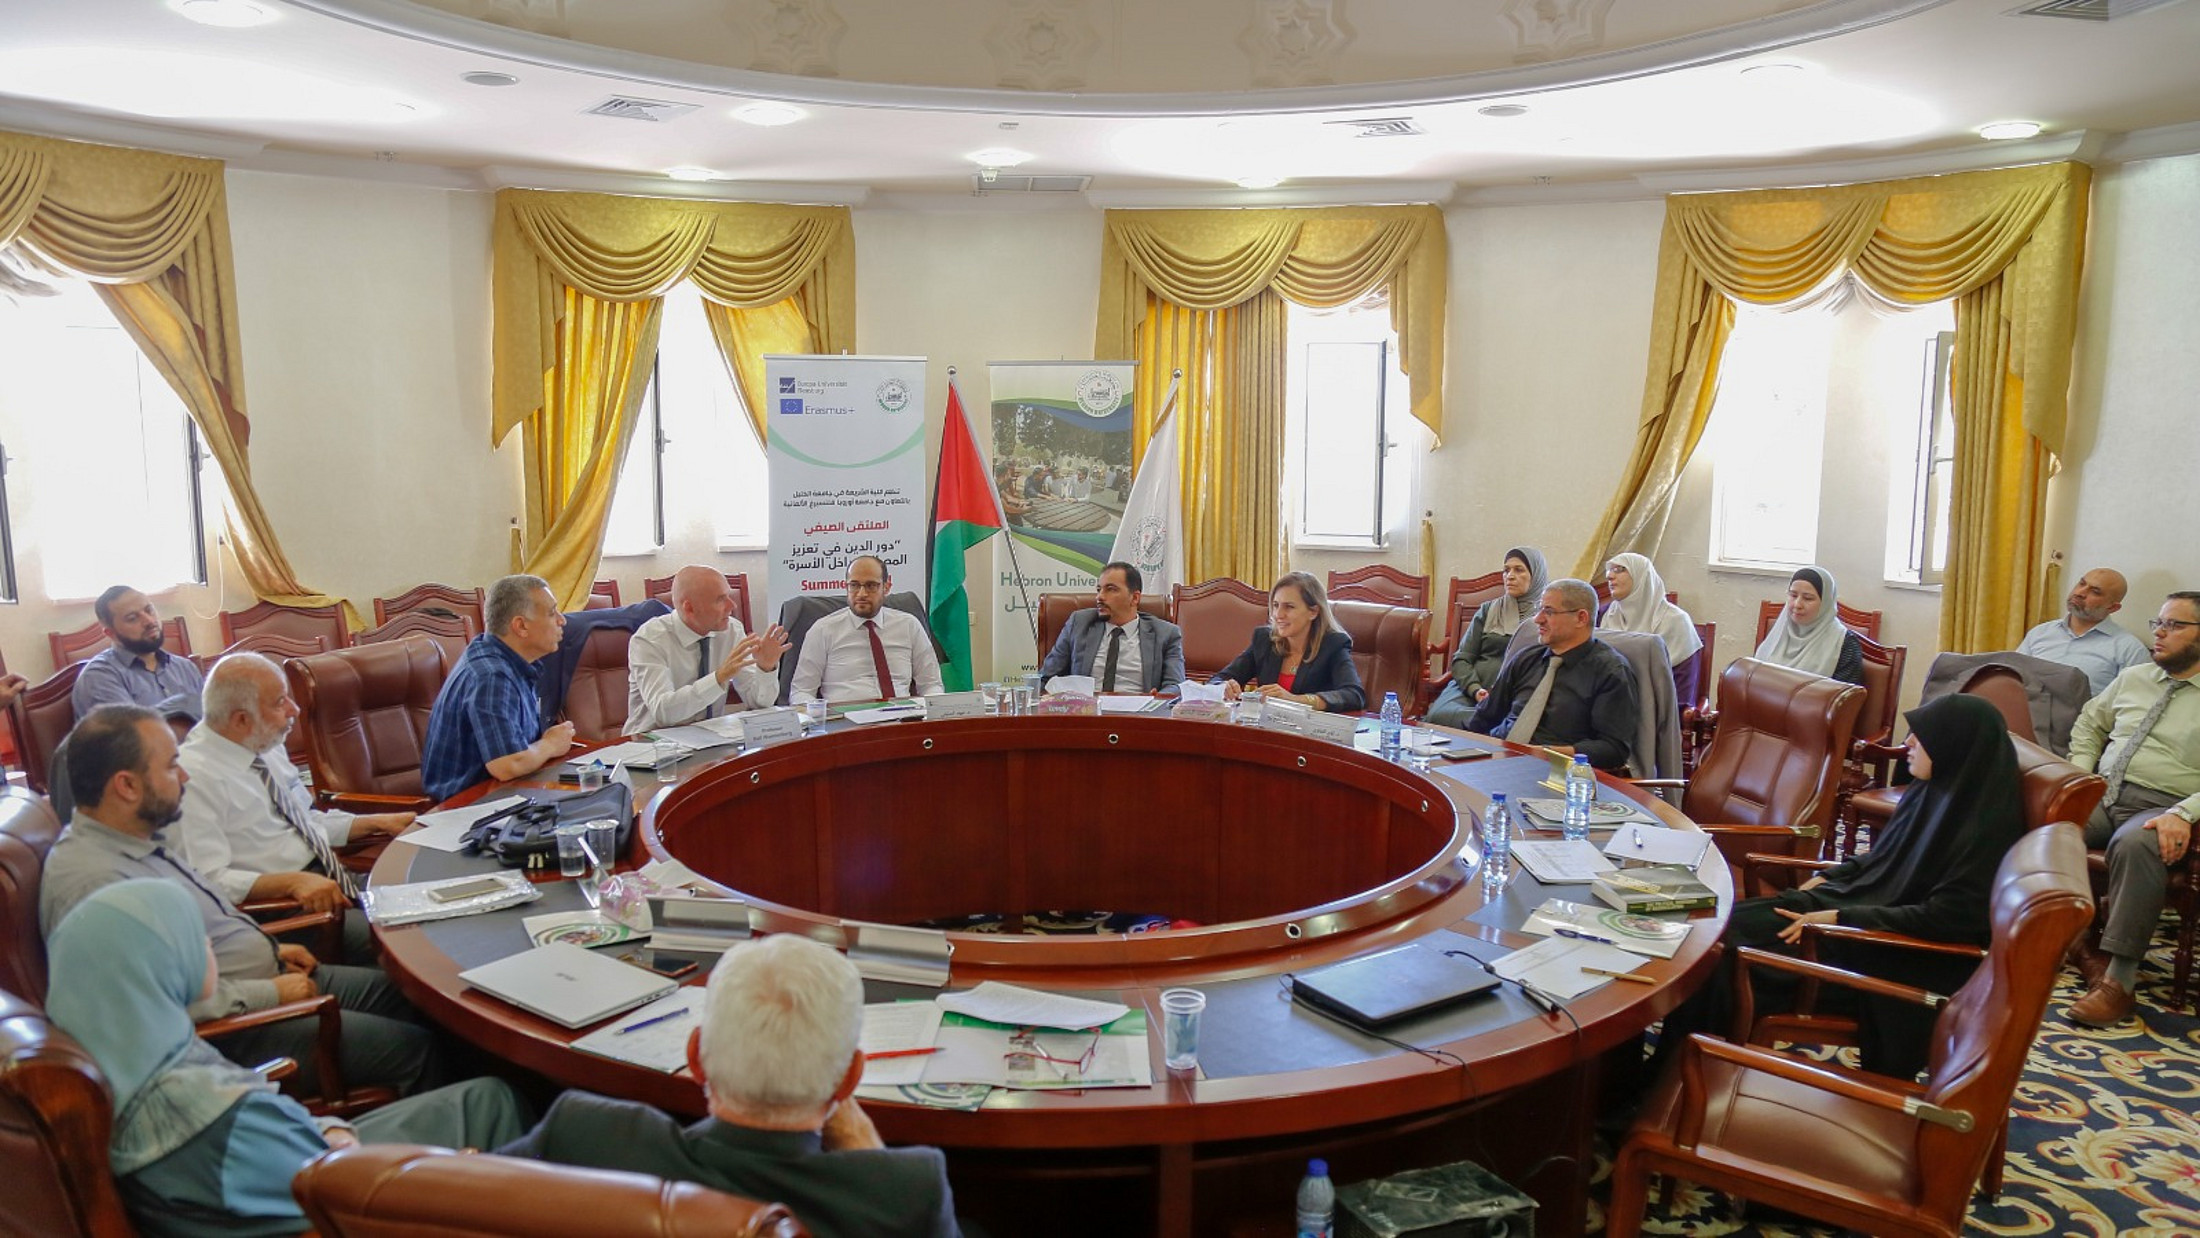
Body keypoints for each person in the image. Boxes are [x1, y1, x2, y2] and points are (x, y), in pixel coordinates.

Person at [45, 880, 524, 1238]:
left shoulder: (130, 1052)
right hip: (353, 1195)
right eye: (196, 938)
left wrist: (330, 1132)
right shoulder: (196, 1111)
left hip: (307, 1161)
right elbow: (332, 1192)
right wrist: (444, 1176)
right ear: (160, 964)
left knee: (484, 1096)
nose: (209, 946)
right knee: (497, 1101)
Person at [40, 706, 438, 1097]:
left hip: (266, 977)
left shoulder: (133, 839)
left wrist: (271, 949)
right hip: (241, 1031)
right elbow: (145, 1012)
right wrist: (271, 994)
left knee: (419, 997)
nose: (185, 776)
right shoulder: (95, 885)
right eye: (172, 766)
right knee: (422, 1050)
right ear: (127, 786)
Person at [1652, 694, 2026, 1080]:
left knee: (1721, 959)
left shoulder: (1986, 834)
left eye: (1921, 736)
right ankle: (1647, 1068)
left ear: (1955, 745)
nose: (1907, 743)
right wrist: (1831, 878)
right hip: (1847, 915)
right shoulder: (1932, 792)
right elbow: (1881, 860)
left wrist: (1841, 917)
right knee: (1709, 928)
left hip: (1882, 953)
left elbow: (1949, 919)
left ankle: (1673, 1081)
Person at [500, 933, 961, 1238]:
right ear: (849, 1080)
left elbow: (464, 1196)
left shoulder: (586, 1135)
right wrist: (869, 1158)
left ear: (697, 1058)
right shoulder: (904, 1194)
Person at [175, 654, 414, 961]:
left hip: (331, 877)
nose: (295, 709)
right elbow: (207, 879)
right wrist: (292, 882)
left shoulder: (263, 744)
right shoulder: (192, 778)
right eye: (280, 702)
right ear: (241, 720)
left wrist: (376, 822)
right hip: (287, 907)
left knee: (433, 902)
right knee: (410, 941)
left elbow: (305, 821)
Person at [2064, 591, 2200, 1028]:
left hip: (2164, 806)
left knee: (2137, 844)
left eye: (2174, 625)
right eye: (2158, 622)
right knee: (2045, 822)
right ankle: (2043, 933)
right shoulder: (2135, 678)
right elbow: (2090, 725)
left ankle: (2118, 983)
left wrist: (2185, 813)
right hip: (2104, 793)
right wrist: (2080, 778)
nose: (2159, 633)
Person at [420, 574, 577, 801]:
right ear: (521, 626)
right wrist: (550, 745)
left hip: (507, 793)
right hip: (468, 806)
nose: (562, 621)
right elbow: (508, 765)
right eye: (552, 613)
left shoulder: (502, 658)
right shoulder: (492, 676)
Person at [1464, 579, 1638, 771]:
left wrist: (1547, 753)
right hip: (1499, 758)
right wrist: (1462, 754)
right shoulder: (1526, 658)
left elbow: (1614, 750)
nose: (1537, 619)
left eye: (1548, 611)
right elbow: (1485, 716)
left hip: (1557, 772)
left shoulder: (1610, 671)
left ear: (1581, 618)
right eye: (1539, 609)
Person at [627, 565, 791, 731]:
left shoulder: (732, 630)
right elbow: (663, 713)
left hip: (710, 738)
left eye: (729, 596)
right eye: (720, 600)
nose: (732, 606)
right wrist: (719, 678)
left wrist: (765, 668)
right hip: (651, 741)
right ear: (689, 608)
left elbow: (758, 704)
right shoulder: (649, 640)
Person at [789, 556, 945, 705]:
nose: (861, 594)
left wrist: (932, 711)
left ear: (886, 587)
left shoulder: (909, 625)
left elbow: (931, 684)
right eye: (854, 585)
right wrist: (819, 715)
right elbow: (801, 691)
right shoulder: (823, 630)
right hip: (845, 719)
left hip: (902, 717)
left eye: (871, 586)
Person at [1424, 547, 1548, 728]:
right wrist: (1475, 689)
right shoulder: (1488, 610)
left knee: (1506, 724)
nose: (1510, 576)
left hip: (1514, 694)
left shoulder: (1546, 617)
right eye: (1506, 570)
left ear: (1536, 575)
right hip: (1470, 688)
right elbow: (1461, 658)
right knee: (1439, 715)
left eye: (1519, 570)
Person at [1212, 572, 1365, 713]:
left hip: (1308, 730)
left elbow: (1354, 695)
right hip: (1267, 728)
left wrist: (1295, 700)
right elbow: (1218, 680)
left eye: (1289, 607)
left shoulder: (1333, 644)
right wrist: (1223, 687)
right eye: (1276, 605)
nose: (1278, 614)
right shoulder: (1265, 640)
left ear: (1313, 612)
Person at [1036, 561, 1186, 695]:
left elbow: (1175, 685)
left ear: (1135, 598)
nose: (1099, 597)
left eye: (1110, 589)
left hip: (1137, 713)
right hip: (1086, 711)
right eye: (1099, 589)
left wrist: (1158, 698)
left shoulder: (1166, 633)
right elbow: (1046, 678)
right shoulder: (1079, 624)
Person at [2016, 566, 2152, 696]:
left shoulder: (2130, 649)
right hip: (2027, 708)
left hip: (2082, 712)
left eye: (2095, 592)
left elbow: (2133, 702)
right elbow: (2013, 676)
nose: (2080, 593)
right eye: (2081, 584)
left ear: (2112, 608)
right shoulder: (2040, 633)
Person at [71, 585, 206, 714]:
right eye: (132, 618)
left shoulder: (185, 667)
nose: (149, 621)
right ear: (111, 634)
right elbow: (129, 730)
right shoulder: (100, 677)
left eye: (149, 610)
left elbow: (211, 720)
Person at [1753, 566, 1864, 686]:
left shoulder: (1845, 644)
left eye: (1808, 598)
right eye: (1793, 595)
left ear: (1825, 602)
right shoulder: (1780, 631)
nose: (1797, 604)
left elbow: (1845, 696)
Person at [1598, 553, 1702, 668]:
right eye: (1609, 570)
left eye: (1619, 569)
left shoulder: (1676, 621)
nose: (1609, 576)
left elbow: (1685, 676)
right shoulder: (1602, 614)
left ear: (1641, 576)